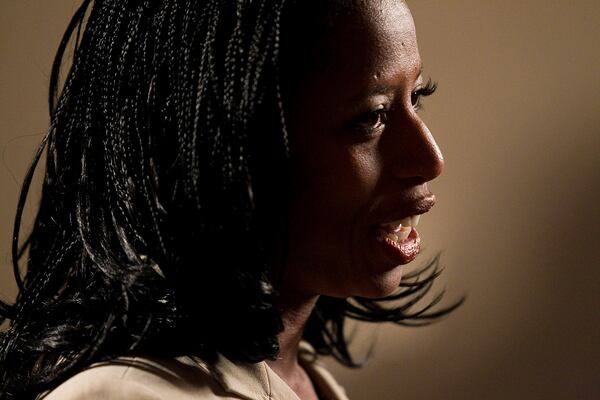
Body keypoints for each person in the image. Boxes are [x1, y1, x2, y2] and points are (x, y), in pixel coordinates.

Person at [0, 0, 461, 399]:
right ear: (221, 146)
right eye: (372, 116)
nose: (430, 157)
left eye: (416, 96)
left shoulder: (312, 385)